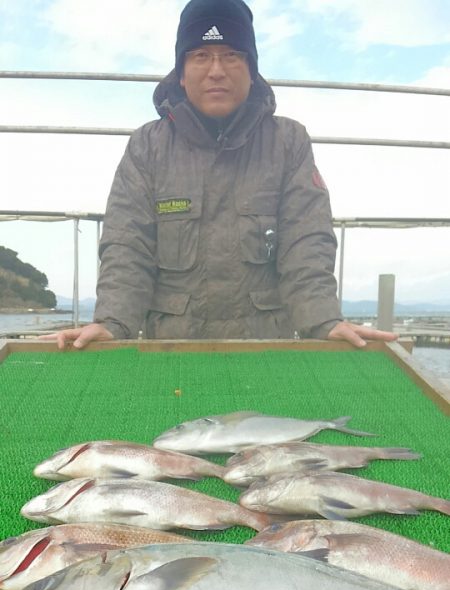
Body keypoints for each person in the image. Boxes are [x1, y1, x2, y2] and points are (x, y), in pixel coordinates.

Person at [44, 0, 397, 350]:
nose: (216, 70)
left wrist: (323, 320)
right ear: (181, 74)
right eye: (200, 55)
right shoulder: (146, 146)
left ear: (251, 69)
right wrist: (112, 322)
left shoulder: (289, 142)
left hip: (266, 352)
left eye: (232, 55)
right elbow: (127, 246)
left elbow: (306, 243)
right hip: (171, 353)